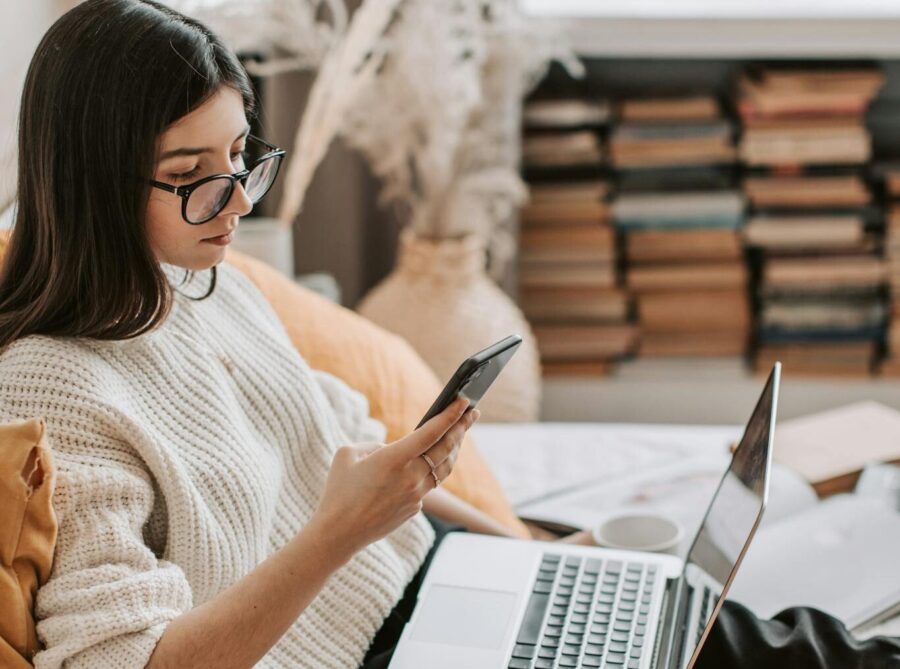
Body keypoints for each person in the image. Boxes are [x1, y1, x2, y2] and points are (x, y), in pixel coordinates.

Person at [0, 2, 897, 668]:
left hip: (443, 585)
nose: (237, 201)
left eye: (243, 159)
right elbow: (120, 662)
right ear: (90, 184)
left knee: (756, 640)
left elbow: (360, 470)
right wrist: (339, 533)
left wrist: (530, 556)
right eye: (193, 174)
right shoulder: (56, 390)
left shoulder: (208, 284)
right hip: (380, 650)